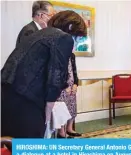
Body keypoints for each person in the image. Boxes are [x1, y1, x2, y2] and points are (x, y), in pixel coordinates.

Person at [1, 10, 87, 138]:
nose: (77, 41)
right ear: (71, 27)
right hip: (27, 101)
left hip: (7, 94)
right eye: (78, 37)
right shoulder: (63, 37)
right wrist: (47, 115)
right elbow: (55, 77)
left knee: (10, 143)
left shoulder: (39, 34)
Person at [56, 52, 81, 138]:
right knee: (62, 108)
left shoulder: (72, 55)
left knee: (72, 107)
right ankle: (61, 131)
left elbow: (74, 71)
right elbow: (57, 73)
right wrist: (64, 86)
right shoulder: (58, 54)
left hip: (71, 85)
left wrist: (76, 84)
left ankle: (69, 129)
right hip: (62, 87)